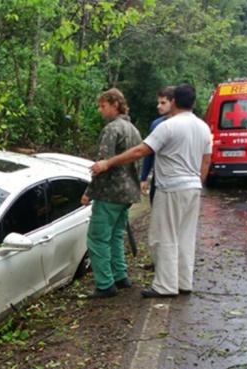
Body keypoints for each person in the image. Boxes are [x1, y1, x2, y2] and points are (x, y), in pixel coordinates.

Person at [90, 83, 212, 298]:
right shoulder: (203, 127)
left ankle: (165, 286)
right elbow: (206, 160)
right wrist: (198, 182)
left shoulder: (168, 126)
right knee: (185, 236)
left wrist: (108, 163)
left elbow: (140, 151)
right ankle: (184, 282)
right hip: (193, 187)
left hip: (171, 187)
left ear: (173, 101)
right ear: (193, 103)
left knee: (164, 236)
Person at [81, 88, 142, 299]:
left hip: (110, 193)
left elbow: (101, 165)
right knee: (116, 236)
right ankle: (120, 276)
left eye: (103, 106)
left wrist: (89, 192)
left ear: (115, 105)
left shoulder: (112, 129)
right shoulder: (133, 129)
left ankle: (105, 284)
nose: (100, 110)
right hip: (128, 193)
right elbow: (138, 162)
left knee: (97, 239)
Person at [140, 86, 175, 204]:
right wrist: (144, 177)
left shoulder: (185, 124)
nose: (159, 106)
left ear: (173, 102)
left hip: (176, 177)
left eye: (163, 102)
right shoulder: (156, 124)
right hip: (158, 177)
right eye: (158, 102)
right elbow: (149, 152)